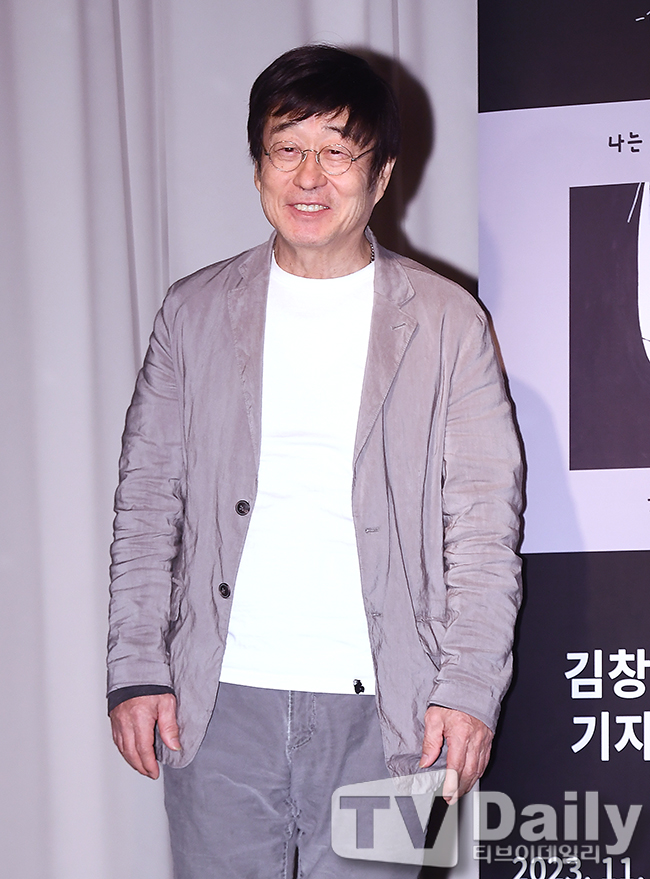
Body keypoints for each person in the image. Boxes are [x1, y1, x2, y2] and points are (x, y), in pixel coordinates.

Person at [107, 45, 523, 878]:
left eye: (337, 152)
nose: (309, 176)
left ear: (382, 173)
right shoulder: (193, 312)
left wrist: (469, 688)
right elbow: (148, 503)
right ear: (258, 164)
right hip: (219, 705)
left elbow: (484, 528)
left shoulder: (449, 321)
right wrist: (135, 669)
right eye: (287, 148)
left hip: (393, 713)